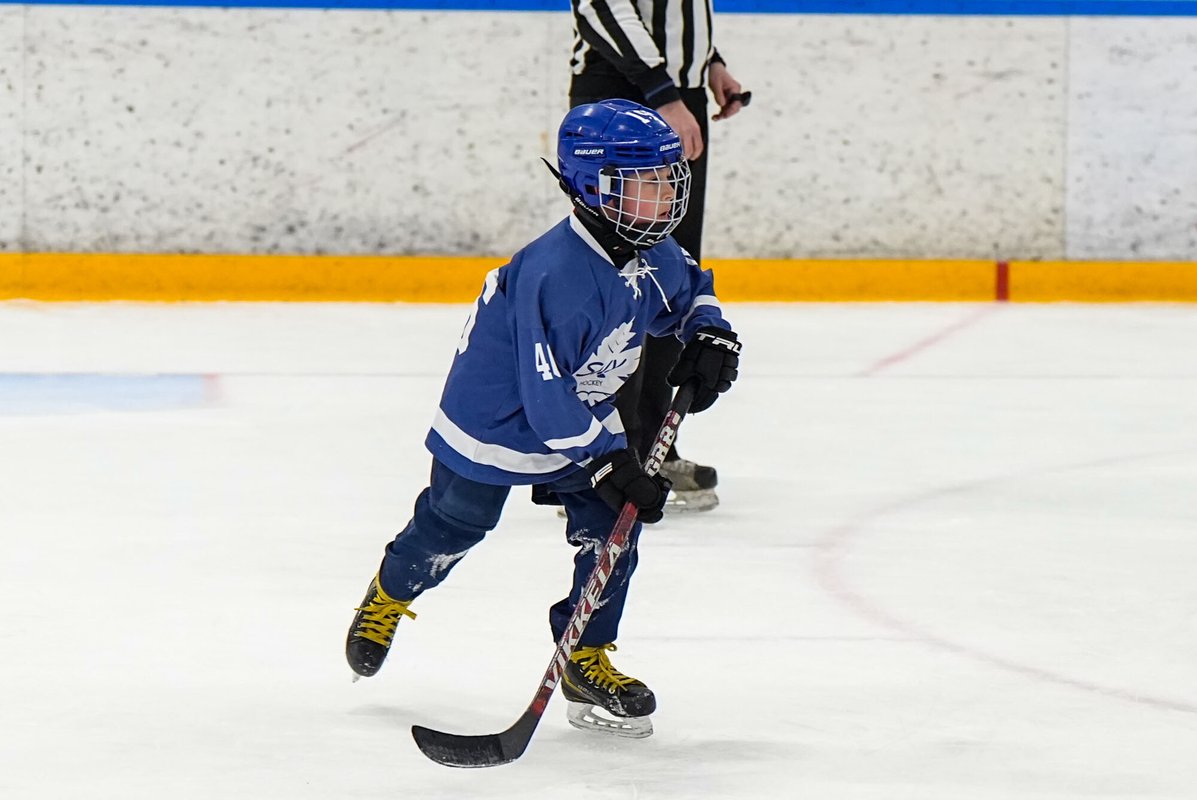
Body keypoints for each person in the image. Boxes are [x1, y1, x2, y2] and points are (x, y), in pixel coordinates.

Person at [345, 99, 741, 738]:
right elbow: (544, 397)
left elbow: (691, 289)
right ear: (595, 187)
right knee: (453, 527)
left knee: (613, 530)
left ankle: (585, 657)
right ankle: (391, 592)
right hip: (497, 420)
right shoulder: (559, 276)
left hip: (581, 409)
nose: (668, 196)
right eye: (647, 182)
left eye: (670, 180)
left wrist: (709, 331)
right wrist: (609, 462)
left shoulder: (645, 247)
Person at [569, 0, 749, 512]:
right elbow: (602, 6)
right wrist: (662, 92)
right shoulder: (649, 90)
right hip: (624, 92)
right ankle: (599, 458)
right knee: (617, 275)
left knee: (667, 275)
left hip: (672, 91)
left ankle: (649, 448)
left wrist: (707, 61)